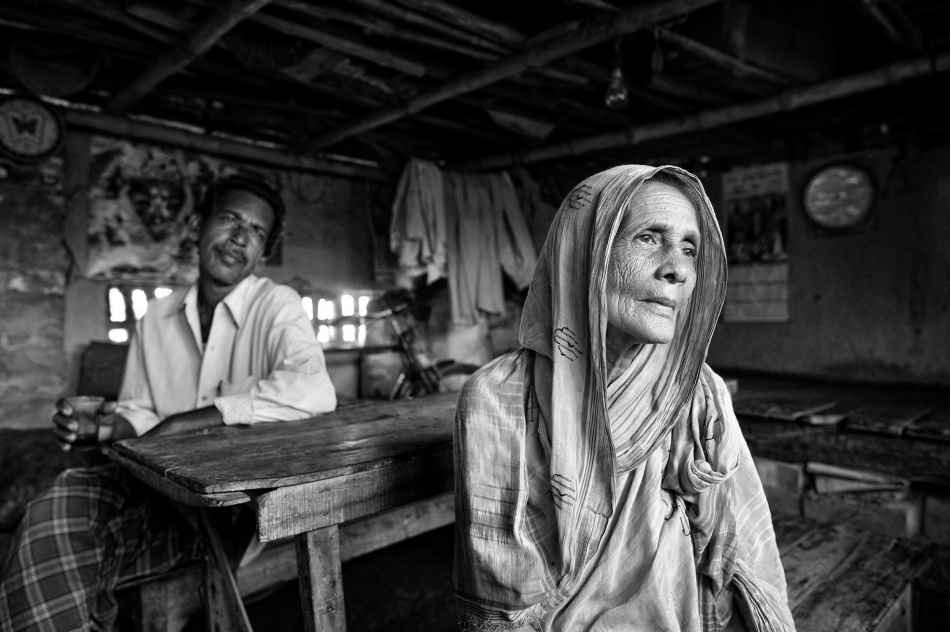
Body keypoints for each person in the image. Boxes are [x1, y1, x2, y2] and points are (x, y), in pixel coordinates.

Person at [454, 166, 794, 632]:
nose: (677, 269)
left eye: (690, 249)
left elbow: (747, 554)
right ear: (582, 252)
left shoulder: (698, 390)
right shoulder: (499, 398)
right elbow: (501, 599)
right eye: (648, 238)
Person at [0, 175, 337, 632]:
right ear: (197, 227)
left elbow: (312, 388)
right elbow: (142, 412)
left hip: (229, 514)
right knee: (54, 510)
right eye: (230, 219)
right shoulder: (156, 316)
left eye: (257, 232)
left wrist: (192, 421)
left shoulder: (277, 305)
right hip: (153, 490)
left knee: (72, 542)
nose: (240, 238)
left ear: (263, 254)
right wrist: (102, 428)